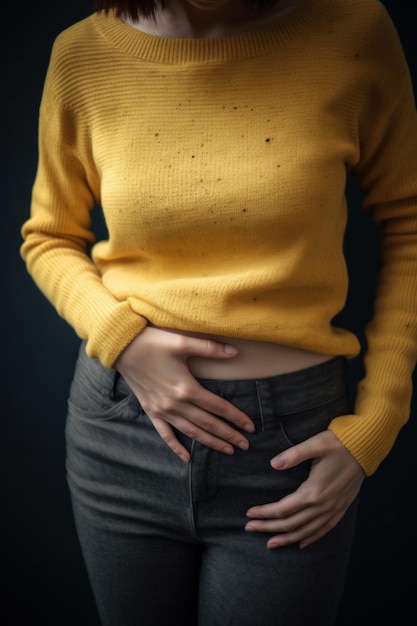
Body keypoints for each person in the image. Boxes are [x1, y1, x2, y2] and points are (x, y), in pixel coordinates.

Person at [20, 0, 417, 624]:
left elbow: (410, 224)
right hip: (121, 433)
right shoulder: (83, 54)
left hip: (292, 449)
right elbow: (48, 236)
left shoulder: (355, 29)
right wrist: (119, 337)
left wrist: (378, 424)